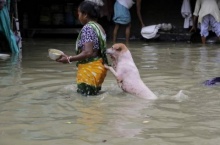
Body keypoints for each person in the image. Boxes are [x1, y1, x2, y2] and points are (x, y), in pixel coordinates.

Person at [57, 0, 109, 96]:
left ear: (85, 14)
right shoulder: (99, 27)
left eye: (79, 13)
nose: (78, 16)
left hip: (89, 71)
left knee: (85, 104)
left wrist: (69, 59)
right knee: (94, 100)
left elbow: (88, 52)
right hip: (98, 68)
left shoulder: (88, 28)